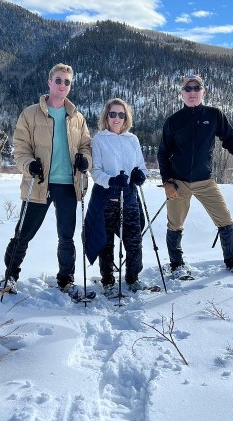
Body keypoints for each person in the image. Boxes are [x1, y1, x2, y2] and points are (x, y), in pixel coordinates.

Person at [0, 63, 92, 300]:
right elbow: (20, 149)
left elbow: (86, 146)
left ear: (70, 86)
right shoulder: (30, 114)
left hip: (68, 185)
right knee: (24, 233)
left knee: (66, 235)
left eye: (67, 82)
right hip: (39, 183)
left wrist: (85, 161)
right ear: (49, 82)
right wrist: (29, 165)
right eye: (58, 80)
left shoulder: (77, 117)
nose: (62, 85)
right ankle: (10, 276)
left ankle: (66, 280)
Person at [157, 74, 233, 279]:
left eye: (196, 89)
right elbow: (162, 153)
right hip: (179, 182)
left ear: (203, 92)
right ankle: (176, 265)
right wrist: (167, 181)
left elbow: (229, 139)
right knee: (175, 224)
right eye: (188, 89)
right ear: (182, 93)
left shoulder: (214, 115)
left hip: (205, 180)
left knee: (225, 219)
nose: (192, 93)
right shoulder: (173, 121)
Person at [84, 98, 149, 296]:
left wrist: (140, 175)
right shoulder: (99, 140)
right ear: (106, 116)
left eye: (121, 114)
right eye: (113, 114)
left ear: (126, 117)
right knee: (106, 242)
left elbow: (141, 166)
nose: (117, 118)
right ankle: (108, 281)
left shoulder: (133, 139)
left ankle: (133, 277)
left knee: (134, 241)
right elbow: (95, 171)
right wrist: (111, 180)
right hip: (106, 198)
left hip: (129, 197)